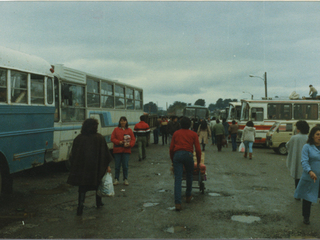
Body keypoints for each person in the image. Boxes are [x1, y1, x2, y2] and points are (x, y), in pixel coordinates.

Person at [67, 118, 113, 216]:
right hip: (96, 170)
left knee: (82, 189)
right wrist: (107, 166)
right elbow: (105, 155)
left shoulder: (79, 138)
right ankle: (98, 203)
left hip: (83, 171)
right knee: (97, 186)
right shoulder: (99, 138)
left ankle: (80, 207)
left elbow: (73, 155)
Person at [170, 117, 201, 211]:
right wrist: (198, 162)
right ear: (190, 125)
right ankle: (188, 195)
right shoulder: (193, 134)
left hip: (177, 155)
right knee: (189, 175)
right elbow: (198, 150)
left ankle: (178, 203)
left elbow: (171, 149)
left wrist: (173, 160)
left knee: (178, 178)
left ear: (180, 124)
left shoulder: (176, 133)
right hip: (188, 155)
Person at [294, 126, 320, 225]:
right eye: (317, 134)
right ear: (312, 136)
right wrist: (310, 171)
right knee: (307, 197)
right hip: (310, 176)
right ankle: (306, 217)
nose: (319, 136)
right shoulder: (307, 147)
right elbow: (304, 161)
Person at [111, 116, 136, 186]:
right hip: (117, 150)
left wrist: (130, 144)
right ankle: (116, 179)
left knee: (125, 166)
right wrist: (119, 142)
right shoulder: (115, 130)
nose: (123, 122)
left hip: (126, 150)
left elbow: (133, 139)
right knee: (117, 166)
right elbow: (112, 138)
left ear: (126, 122)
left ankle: (125, 179)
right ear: (119, 122)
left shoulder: (129, 130)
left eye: (124, 121)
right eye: (121, 121)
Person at [286, 121, 310, 192]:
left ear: (298, 129)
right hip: (307, 161)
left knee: (297, 178)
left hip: (297, 160)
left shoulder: (294, 138)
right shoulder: (309, 138)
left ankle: (298, 193)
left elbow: (288, 145)